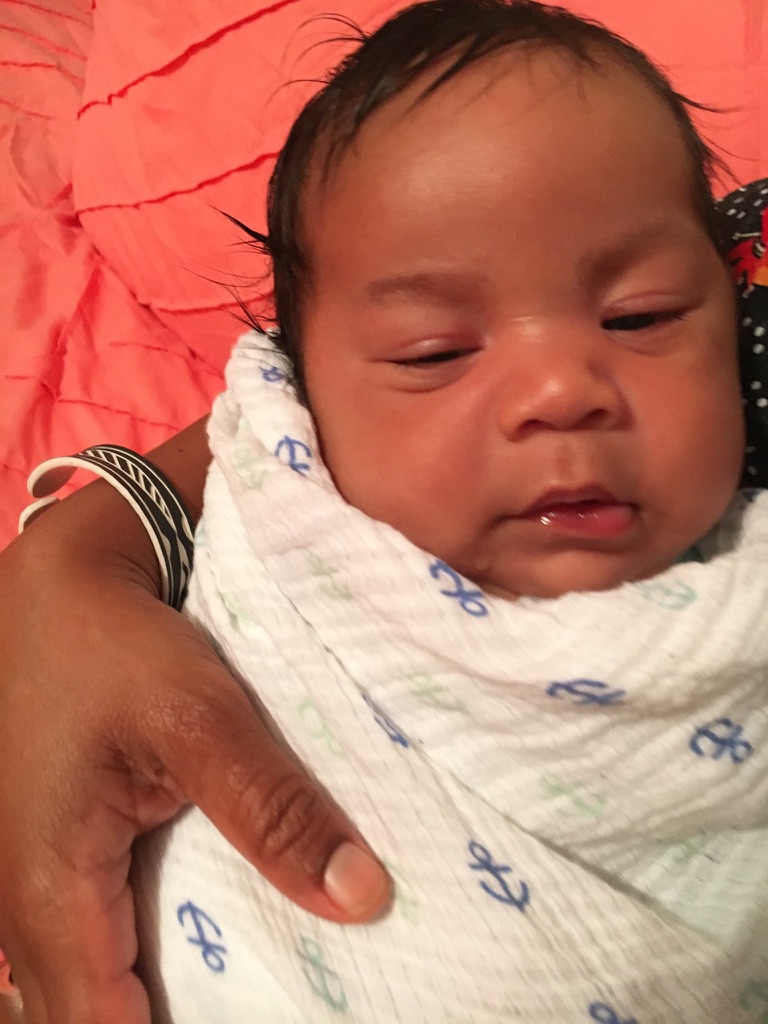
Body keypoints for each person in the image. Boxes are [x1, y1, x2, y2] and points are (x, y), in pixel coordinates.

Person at [0, 2, 766, 1023]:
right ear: (305, 399)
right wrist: (74, 554)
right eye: (434, 352)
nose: (561, 389)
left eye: (642, 317)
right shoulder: (282, 489)